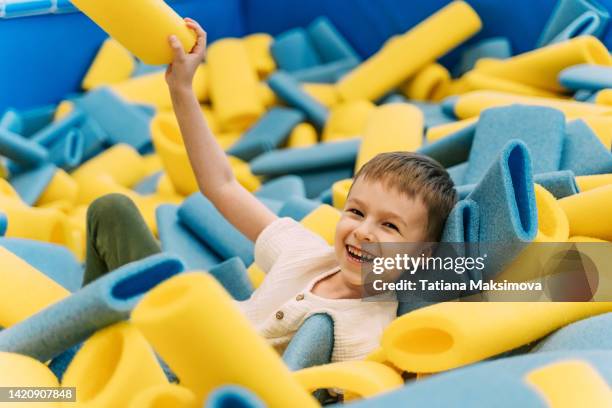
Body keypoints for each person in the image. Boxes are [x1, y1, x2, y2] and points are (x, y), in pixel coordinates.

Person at [83, 18, 458, 362]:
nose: (363, 231)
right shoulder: (305, 252)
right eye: (357, 212)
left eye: (389, 227)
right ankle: (82, 336)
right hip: (187, 323)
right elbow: (222, 186)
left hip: (206, 377)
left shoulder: (367, 335)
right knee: (112, 210)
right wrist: (182, 87)